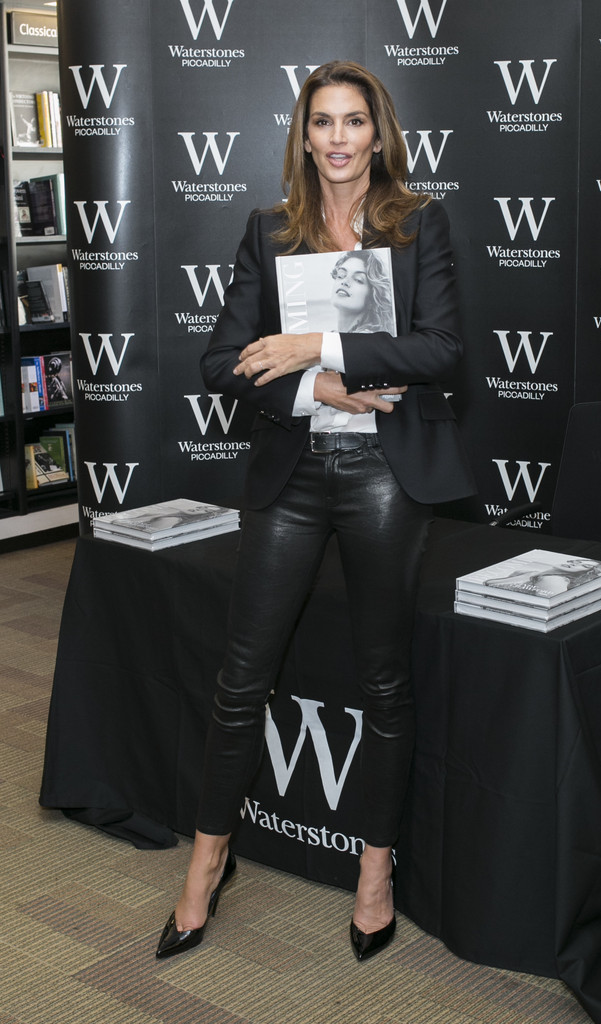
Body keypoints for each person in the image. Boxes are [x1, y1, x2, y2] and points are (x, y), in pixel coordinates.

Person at [155, 59, 475, 963]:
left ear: (378, 134)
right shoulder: (268, 231)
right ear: (303, 135)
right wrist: (317, 388)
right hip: (292, 476)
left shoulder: (418, 226)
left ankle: (375, 871)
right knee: (239, 681)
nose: (337, 138)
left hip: (385, 478)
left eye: (353, 121)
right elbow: (221, 365)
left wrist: (313, 343)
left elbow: (441, 349)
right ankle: (206, 866)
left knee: (383, 683)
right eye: (322, 122)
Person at [330, 249, 396, 334]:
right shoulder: (335, 336)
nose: (345, 282)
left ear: (371, 297)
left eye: (358, 280)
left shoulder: (368, 340)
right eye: (341, 275)